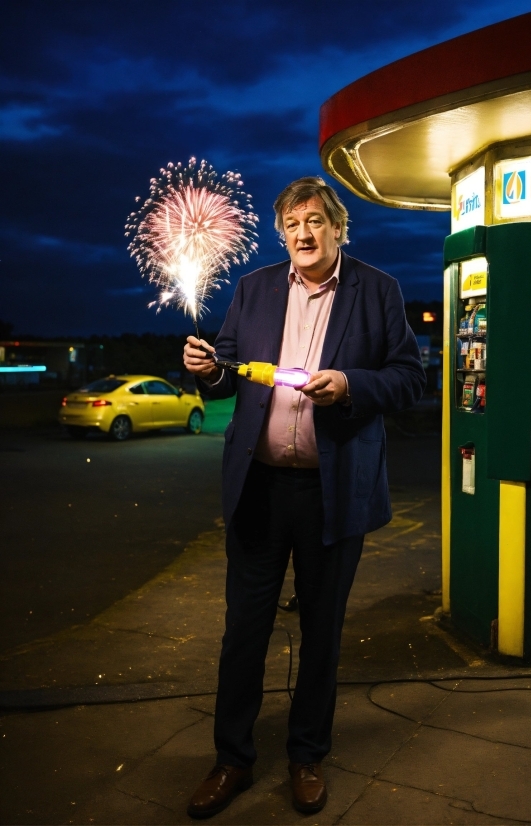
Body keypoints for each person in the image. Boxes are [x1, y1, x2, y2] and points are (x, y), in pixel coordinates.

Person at [183, 176, 425, 818]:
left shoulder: (377, 290)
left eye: (315, 221)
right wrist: (209, 370)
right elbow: (228, 371)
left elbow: (408, 379)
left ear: (338, 228)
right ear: (280, 232)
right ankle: (231, 759)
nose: (303, 234)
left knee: (322, 633)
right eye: (291, 224)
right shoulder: (254, 289)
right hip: (259, 489)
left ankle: (307, 755)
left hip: (332, 492)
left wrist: (350, 385)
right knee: (243, 632)